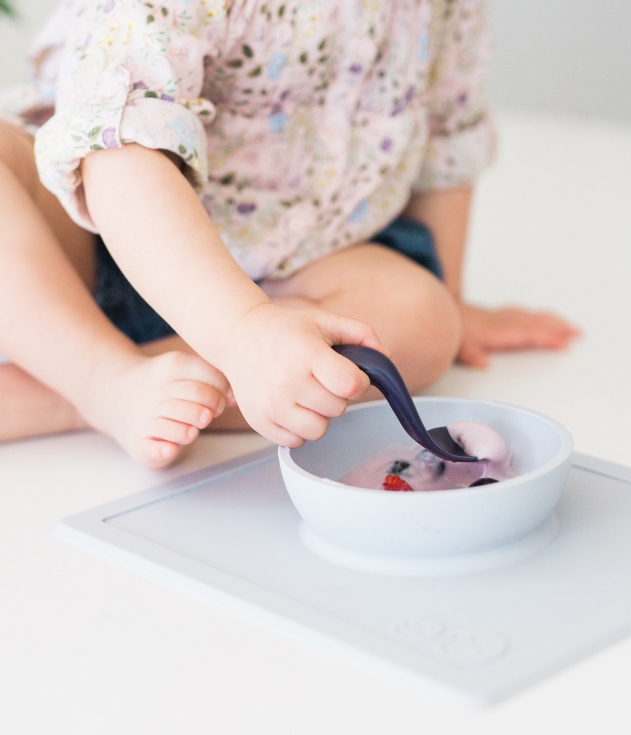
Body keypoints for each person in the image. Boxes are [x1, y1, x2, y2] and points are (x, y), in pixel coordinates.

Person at [0, 0, 578, 469]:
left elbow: (446, 135)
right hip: (88, 233)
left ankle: (74, 389)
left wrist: (451, 297)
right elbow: (117, 152)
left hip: (297, 271)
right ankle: (96, 377)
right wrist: (240, 330)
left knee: (420, 322)